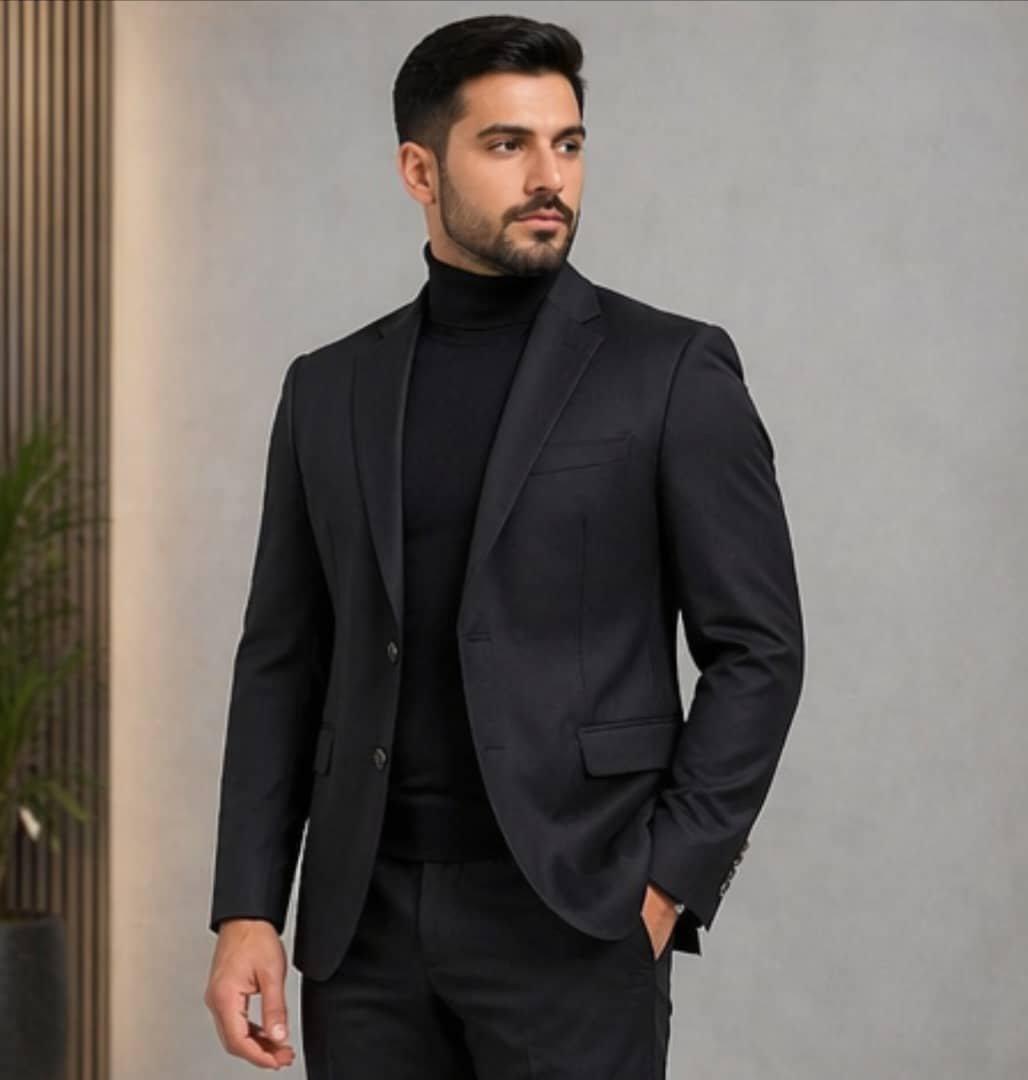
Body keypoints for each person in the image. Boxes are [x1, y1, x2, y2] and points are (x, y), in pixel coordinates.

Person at [203, 13, 804, 1078]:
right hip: (362, 931)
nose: (548, 177)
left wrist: (666, 883)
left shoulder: (669, 371)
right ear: (418, 169)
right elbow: (282, 659)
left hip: (575, 916)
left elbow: (758, 649)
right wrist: (249, 907)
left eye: (567, 144)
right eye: (506, 144)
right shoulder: (327, 389)